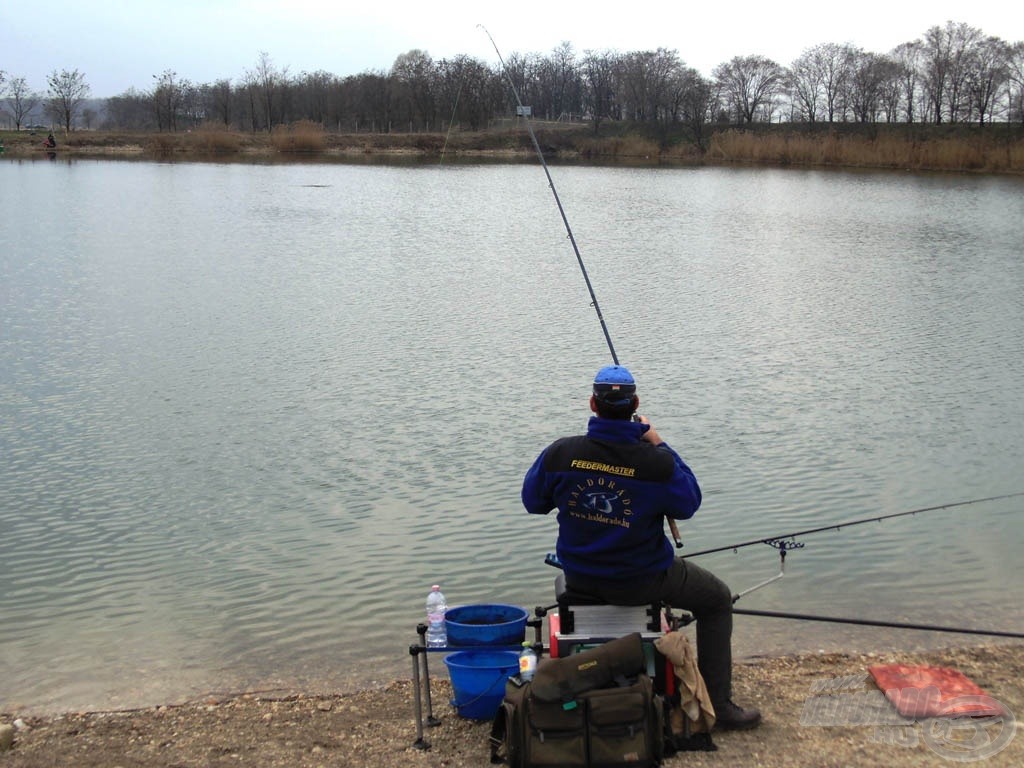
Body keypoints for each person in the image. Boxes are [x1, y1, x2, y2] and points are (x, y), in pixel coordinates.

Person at [521, 364, 761, 730]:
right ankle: (721, 707)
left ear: (592, 404)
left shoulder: (560, 455)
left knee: (710, 595)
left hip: (580, 576)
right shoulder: (656, 462)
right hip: (645, 578)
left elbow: (532, 501)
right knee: (716, 599)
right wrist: (658, 441)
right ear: (634, 404)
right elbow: (689, 503)